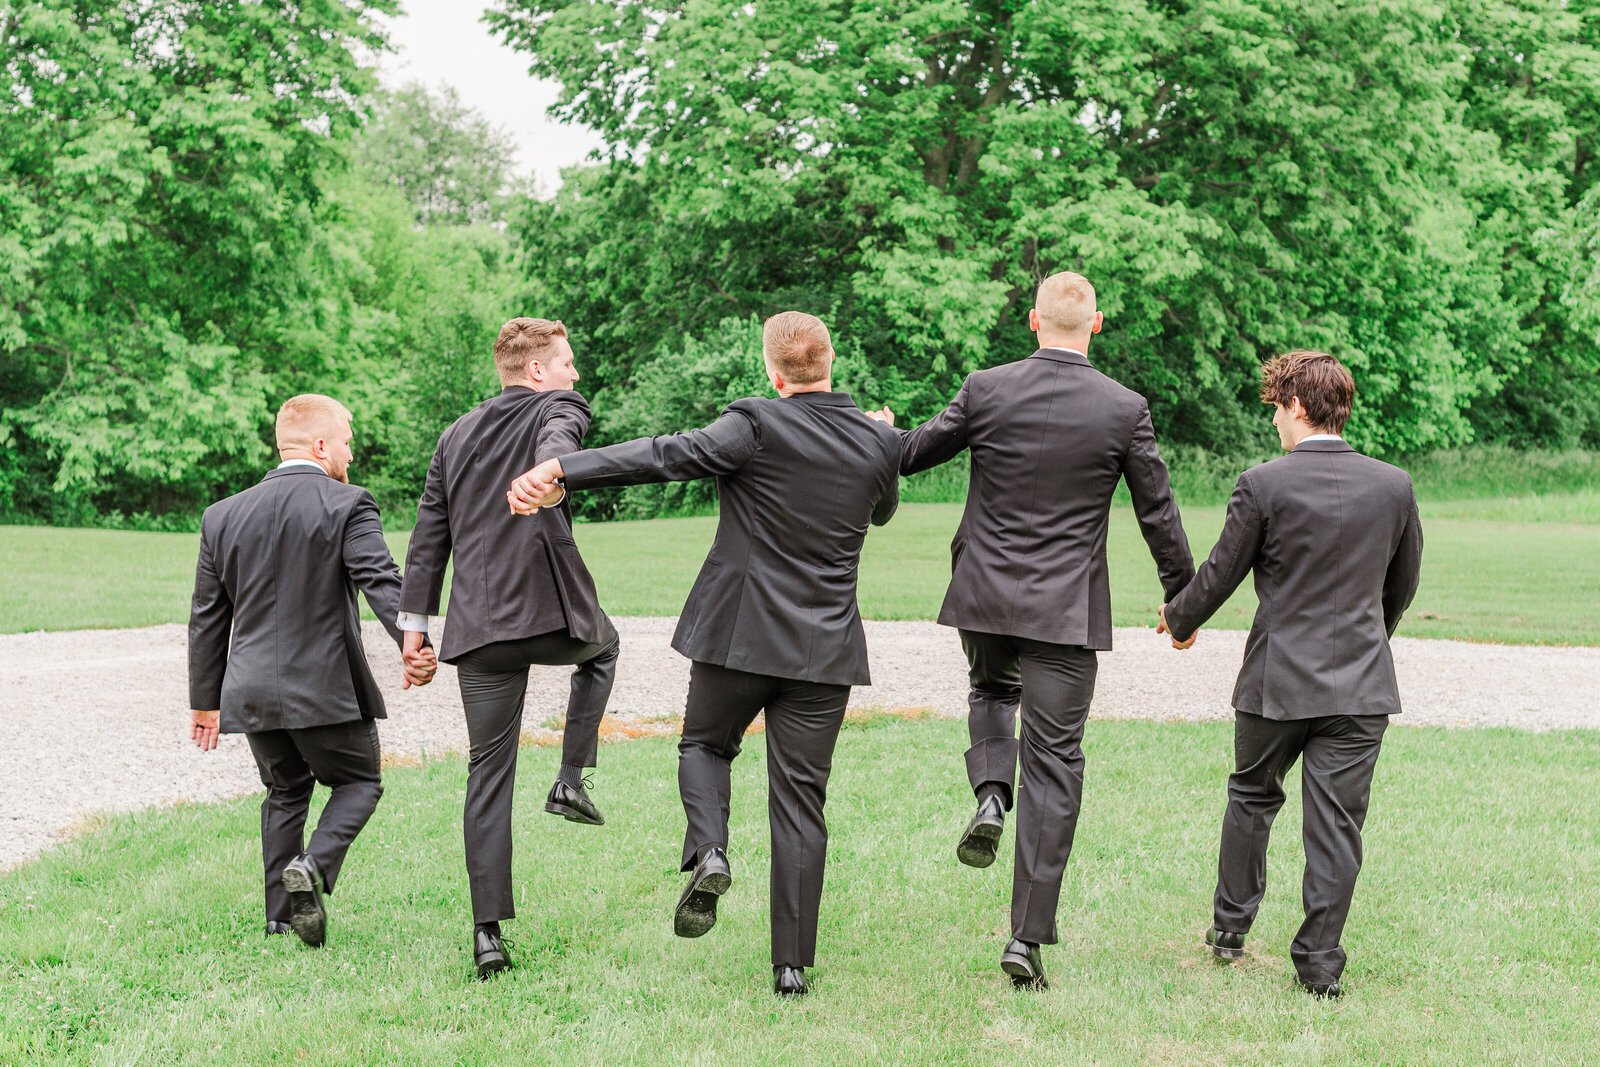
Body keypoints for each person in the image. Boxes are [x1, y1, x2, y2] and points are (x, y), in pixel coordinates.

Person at [507, 311, 900, 998]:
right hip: (824, 649)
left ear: (774, 373)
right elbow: (884, 510)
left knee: (704, 745)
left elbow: (664, 454)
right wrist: (881, 432)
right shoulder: (875, 438)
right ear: (830, 360)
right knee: (802, 803)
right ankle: (791, 968)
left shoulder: (753, 422)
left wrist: (563, 467)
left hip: (739, 634)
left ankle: (711, 849)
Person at [876, 271, 1195, 987]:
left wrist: (872, 431)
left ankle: (991, 791)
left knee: (990, 688)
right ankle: (1026, 938)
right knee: (1055, 761)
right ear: (1098, 324)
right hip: (1066, 607)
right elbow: (1158, 512)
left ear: (1033, 321)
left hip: (984, 591)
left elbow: (912, 450)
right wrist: (1182, 599)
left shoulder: (987, 387)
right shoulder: (1123, 407)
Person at [1158, 350, 1422, 999]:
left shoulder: (1263, 483)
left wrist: (1179, 618)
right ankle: (1321, 961)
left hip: (1277, 679)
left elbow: (1221, 572)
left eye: (1276, 405)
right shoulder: (1394, 485)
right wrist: (1366, 640)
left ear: (1297, 405)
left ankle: (1229, 928)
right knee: (1337, 823)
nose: (1274, 418)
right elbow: (1403, 584)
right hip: (1360, 685)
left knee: (1252, 797)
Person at [399, 317, 621, 980]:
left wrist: (416, 628)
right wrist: (552, 475)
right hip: (550, 611)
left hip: (479, 623)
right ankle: (570, 778)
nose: (575, 374)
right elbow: (560, 438)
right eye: (567, 362)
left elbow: (427, 538)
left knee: (486, 773)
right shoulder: (560, 406)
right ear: (536, 371)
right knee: (604, 650)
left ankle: (486, 932)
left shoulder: (454, 434)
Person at [189, 394, 438, 948]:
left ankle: (281, 918)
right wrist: (413, 643)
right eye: (347, 440)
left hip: (250, 691)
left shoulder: (222, 515)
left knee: (284, 791)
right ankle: (313, 868)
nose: (351, 452)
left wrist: (205, 702)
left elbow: (206, 619)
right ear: (321, 445)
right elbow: (380, 580)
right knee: (358, 783)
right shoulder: (348, 504)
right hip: (323, 686)